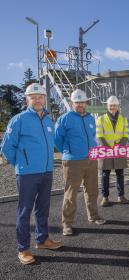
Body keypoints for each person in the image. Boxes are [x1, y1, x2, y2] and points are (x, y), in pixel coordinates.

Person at [1, 83, 63, 265]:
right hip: (27, 173)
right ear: (27, 99)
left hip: (47, 171)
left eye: (40, 96)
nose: (37, 99)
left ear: (44, 98)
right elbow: (6, 147)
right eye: (33, 96)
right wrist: (20, 163)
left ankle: (42, 240)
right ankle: (23, 249)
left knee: (43, 208)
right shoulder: (18, 120)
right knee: (24, 211)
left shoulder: (48, 120)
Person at [55, 89, 106, 236]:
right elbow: (58, 139)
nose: (80, 105)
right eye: (77, 102)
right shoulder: (64, 119)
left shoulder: (91, 118)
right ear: (72, 103)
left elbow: (93, 136)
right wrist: (69, 151)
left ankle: (93, 216)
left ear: (86, 103)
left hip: (91, 159)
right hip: (73, 162)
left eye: (82, 102)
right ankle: (67, 224)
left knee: (92, 190)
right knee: (71, 193)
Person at [96, 95, 129, 206]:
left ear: (117, 106)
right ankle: (105, 198)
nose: (112, 107)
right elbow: (99, 136)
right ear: (107, 106)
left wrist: (119, 146)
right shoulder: (100, 119)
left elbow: (126, 135)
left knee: (120, 174)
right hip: (106, 151)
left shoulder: (123, 119)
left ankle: (121, 196)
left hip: (119, 150)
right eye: (111, 105)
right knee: (105, 175)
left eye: (114, 105)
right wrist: (108, 149)